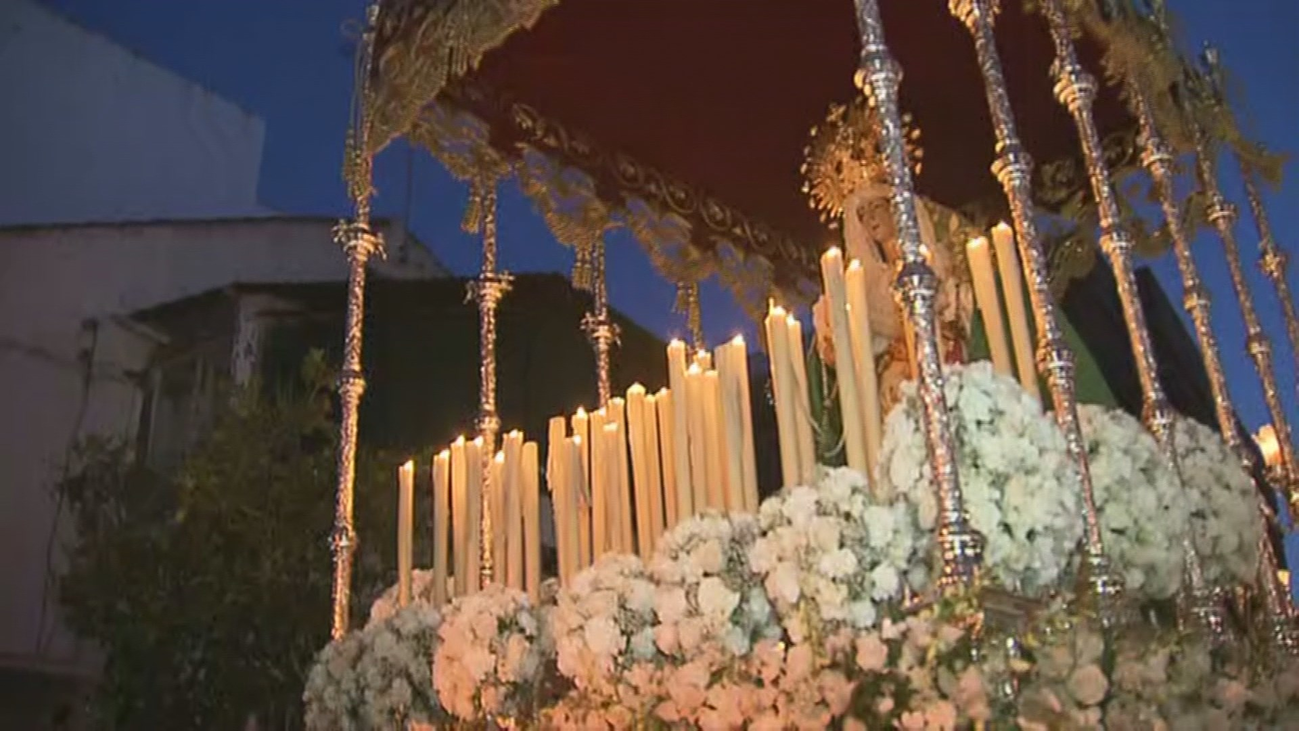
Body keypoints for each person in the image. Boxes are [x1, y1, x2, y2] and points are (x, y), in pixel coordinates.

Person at [813, 183, 974, 414]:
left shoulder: (933, 260)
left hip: (940, 355)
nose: (871, 218)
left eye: (877, 207)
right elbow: (865, 345)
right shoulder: (867, 285)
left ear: (895, 208)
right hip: (895, 381)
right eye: (863, 214)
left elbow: (957, 310)